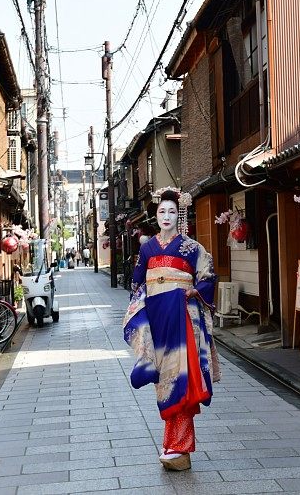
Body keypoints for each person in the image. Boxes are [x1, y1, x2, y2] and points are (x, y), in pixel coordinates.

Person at [123, 188, 220, 471]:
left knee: (181, 378)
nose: (166, 216)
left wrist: (194, 291)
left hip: (181, 317)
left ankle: (181, 447)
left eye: (172, 212)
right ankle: (172, 445)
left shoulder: (192, 248)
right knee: (164, 380)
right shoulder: (147, 248)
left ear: (180, 217)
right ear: (155, 216)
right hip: (157, 318)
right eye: (161, 212)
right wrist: (139, 308)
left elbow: (208, 277)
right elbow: (138, 283)